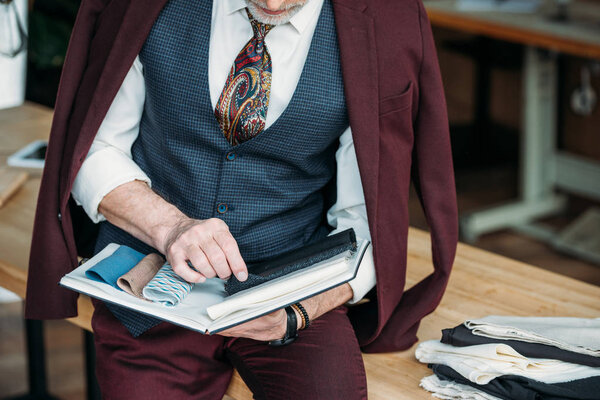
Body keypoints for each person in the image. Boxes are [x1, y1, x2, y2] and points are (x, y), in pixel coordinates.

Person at [25, 0, 458, 398]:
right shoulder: (143, 6)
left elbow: (367, 218)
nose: (270, 4)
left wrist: (302, 311)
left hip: (293, 280)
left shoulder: (387, 21)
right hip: (147, 281)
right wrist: (172, 227)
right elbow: (95, 151)